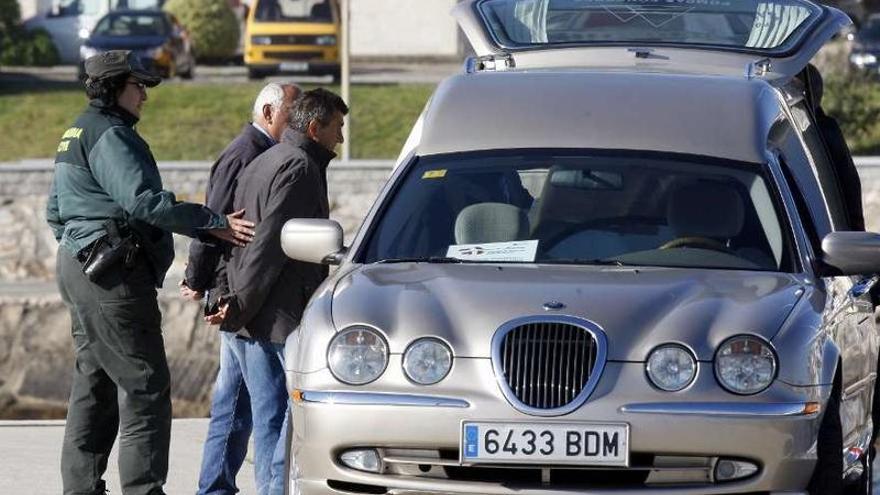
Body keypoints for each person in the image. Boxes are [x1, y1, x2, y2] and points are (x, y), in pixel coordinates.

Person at [46, 50, 255, 495]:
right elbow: (143, 202)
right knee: (144, 386)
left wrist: (83, 244)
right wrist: (214, 222)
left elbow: (55, 214)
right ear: (112, 87)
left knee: (95, 383)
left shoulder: (75, 131)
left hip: (79, 267)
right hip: (113, 274)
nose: (144, 94)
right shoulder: (111, 135)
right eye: (137, 85)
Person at [209, 88, 348, 495]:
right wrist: (239, 306)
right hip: (276, 317)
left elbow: (231, 236)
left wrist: (226, 296)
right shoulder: (300, 167)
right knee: (284, 422)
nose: (340, 138)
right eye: (337, 128)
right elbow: (270, 244)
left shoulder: (264, 159)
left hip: (253, 311)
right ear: (314, 127)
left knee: (261, 418)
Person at [179, 81, 301, 495]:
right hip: (234, 296)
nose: (297, 123)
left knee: (233, 406)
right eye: (292, 114)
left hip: (236, 296)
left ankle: (214, 488)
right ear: (269, 113)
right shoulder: (246, 152)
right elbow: (211, 220)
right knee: (250, 409)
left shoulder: (263, 151)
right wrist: (196, 280)